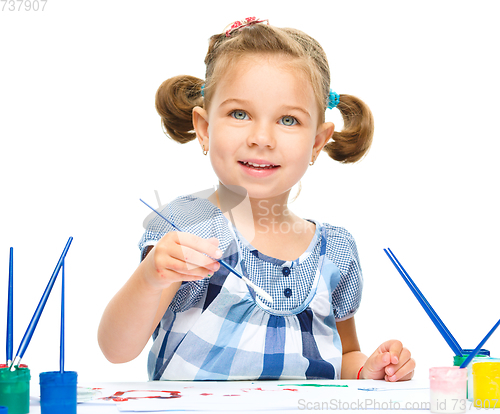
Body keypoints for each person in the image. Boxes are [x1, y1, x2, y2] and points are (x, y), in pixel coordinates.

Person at [98, 17, 416, 382]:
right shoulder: (189, 230)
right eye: (239, 114)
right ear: (204, 128)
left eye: (288, 120)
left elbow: (341, 356)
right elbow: (116, 349)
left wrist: (368, 369)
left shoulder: (335, 251)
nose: (261, 137)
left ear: (317, 141)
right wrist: (151, 276)